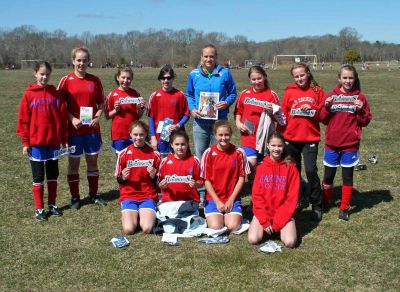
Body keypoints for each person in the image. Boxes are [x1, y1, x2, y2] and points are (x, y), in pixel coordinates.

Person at [17, 62, 68, 221]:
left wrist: (64, 140)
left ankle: (52, 205)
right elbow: (23, 121)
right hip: (36, 143)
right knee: (38, 176)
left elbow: (63, 119)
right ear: (35, 74)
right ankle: (39, 209)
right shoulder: (29, 95)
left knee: (53, 175)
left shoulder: (56, 94)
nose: (44, 77)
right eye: (41, 74)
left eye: (47, 74)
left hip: (53, 143)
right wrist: (26, 143)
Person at [320, 64, 372, 221]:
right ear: (339, 78)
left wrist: (361, 110)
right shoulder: (331, 96)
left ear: (355, 78)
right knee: (328, 176)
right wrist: (327, 107)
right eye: (345, 77)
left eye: (350, 77)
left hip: (350, 145)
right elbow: (322, 119)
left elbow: (365, 121)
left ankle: (344, 207)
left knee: (347, 177)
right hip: (332, 144)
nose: (348, 81)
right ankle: (327, 200)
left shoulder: (360, 97)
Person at [58, 47, 106, 209]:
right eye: (78, 60)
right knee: (74, 164)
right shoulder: (66, 80)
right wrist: (72, 119)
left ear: (88, 61)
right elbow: (59, 105)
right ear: (73, 61)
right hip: (74, 131)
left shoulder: (95, 80)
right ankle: (75, 197)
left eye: (85, 60)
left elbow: (101, 103)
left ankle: (94, 194)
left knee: (92, 162)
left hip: (91, 130)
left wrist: (97, 117)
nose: (82, 63)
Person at [280, 62, 324, 221]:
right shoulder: (289, 91)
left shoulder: (317, 91)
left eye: (302, 75)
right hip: (290, 137)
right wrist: (279, 132)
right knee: (293, 171)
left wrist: (313, 109)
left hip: (310, 137)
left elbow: (323, 115)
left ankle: (317, 204)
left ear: (308, 73)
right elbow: (283, 114)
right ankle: (296, 199)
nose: (300, 78)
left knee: (311, 171)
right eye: (296, 76)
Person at [248, 132, 299, 248]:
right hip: (264, 213)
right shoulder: (261, 168)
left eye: (279, 146)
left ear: (284, 146)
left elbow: (291, 199)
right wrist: (264, 220)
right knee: (253, 239)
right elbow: (257, 196)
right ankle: (264, 227)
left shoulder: (291, 168)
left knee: (290, 242)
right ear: (268, 146)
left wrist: (278, 222)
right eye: (273, 145)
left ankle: (279, 228)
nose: (276, 149)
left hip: (283, 214)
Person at [186, 44, 237, 159]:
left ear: (216, 57)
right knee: (201, 156)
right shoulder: (194, 74)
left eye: (211, 56)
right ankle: (202, 177)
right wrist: (192, 109)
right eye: (206, 56)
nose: (209, 59)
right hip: (200, 122)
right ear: (201, 57)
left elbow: (233, 93)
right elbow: (189, 94)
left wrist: (227, 102)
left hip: (219, 122)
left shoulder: (225, 73)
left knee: (219, 156)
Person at [201, 121, 250, 231]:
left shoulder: (239, 152)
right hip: (213, 198)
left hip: (231, 197)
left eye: (226, 134)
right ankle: (214, 214)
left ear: (231, 134)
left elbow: (241, 179)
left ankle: (236, 217)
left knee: (232, 226)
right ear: (215, 135)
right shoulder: (208, 153)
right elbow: (206, 180)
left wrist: (231, 200)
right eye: (220, 135)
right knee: (216, 227)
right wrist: (217, 201)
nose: (224, 138)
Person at [115, 121, 161, 234]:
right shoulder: (123, 153)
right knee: (128, 230)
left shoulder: (154, 154)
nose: (138, 138)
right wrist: (123, 178)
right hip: (129, 195)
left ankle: (143, 214)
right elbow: (118, 179)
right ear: (130, 134)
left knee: (147, 228)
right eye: (135, 134)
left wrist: (153, 176)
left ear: (146, 135)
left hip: (148, 195)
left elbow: (159, 182)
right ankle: (135, 214)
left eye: (141, 134)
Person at [235, 65, 281, 169]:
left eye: (259, 78)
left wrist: (271, 112)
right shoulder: (244, 94)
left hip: (264, 138)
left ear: (265, 77)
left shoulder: (271, 95)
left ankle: (260, 184)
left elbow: (279, 119)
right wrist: (238, 123)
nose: (257, 81)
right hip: (248, 136)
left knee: (262, 166)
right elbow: (238, 111)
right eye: (253, 79)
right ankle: (251, 184)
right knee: (251, 164)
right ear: (250, 80)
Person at [148, 65, 190, 158]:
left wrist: (178, 125)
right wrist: (153, 137)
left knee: (177, 160)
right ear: (160, 79)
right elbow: (151, 118)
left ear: (173, 78)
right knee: (162, 162)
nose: (166, 81)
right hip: (160, 137)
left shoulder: (180, 95)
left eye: (168, 78)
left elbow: (187, 114)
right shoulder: (154, 96)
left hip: (177, 136)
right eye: (163, 78)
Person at [105, 67, 145, 154]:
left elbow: (139, 115)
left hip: (134, 134)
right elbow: (107, 116)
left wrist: (139, 109)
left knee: (133, 160)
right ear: (117, 77)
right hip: (119, 135)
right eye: (123, 77)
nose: (126, 80)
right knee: (121, 161)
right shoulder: (112, 94)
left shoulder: (136, 94)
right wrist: (116, 110)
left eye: (128, 78)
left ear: (132, 79)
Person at [158, 131, 203, 203]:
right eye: (177, 144)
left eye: (183, 144)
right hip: (169, 201)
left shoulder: (194, 160)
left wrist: (196, 184)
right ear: (172, 145)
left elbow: (201, 182)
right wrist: (161, 185)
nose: (180, 147)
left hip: (190, 200)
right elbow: (160, 181)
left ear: (187, 144)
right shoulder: (165, 161)